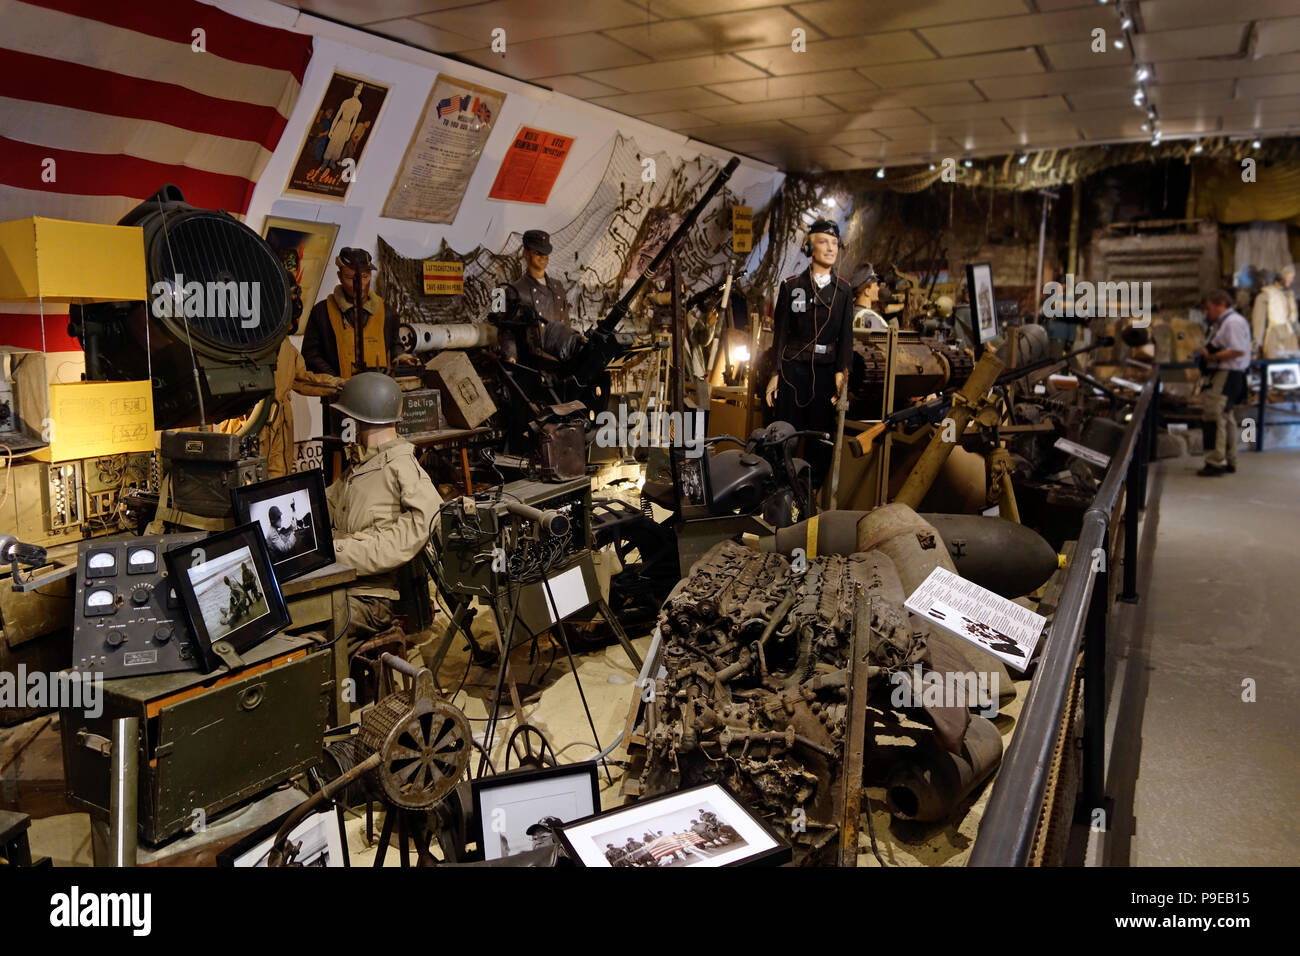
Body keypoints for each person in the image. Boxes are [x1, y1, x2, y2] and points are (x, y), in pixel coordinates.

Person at [324, 373, 444, 654]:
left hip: (370, 597)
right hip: (344, 583)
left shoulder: (400, 466)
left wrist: (339, 550)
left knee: (312, 631)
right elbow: (326, 505)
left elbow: (428, 519)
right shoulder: (362, 465)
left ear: (360, 419)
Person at [765, 218, 854, 490]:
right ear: (809, 248)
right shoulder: (792, 286)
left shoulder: (844, 291)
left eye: (835, 244)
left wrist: (841, 373)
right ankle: (779, 492)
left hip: (826, 373)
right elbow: (780, 334)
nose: (830, 248)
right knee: (783, 435)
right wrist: (775, 373)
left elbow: (846, 338)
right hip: (793, 371)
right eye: (823, 242)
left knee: (820, 438)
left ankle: (811, 496)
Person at [302, 248, 409, 378]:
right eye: (350, 277)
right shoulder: (322, 312)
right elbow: (310, 356)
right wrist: (336, 381)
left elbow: (394, 347)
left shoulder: (387, 312)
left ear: (370, 275)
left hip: (379, 393)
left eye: (364, 277)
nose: (359, 284)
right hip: (337, 394)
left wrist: (402, 358)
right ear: (340, 276)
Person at [500, 229, 583, 364]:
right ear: (526, 253)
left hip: (561, 360)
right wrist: (511, 357)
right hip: (533, 363)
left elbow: (566, 323)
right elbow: (506, 331)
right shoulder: (515, 290)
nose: (543, 257)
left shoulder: (558, 287)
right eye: (537, 253)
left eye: (545, 253)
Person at [1196, 289, 1252, 477]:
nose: (1207, 313)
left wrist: (1212, 355)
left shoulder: (1233, 322)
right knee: (1226, 416)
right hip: (1230, 374)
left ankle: (1214, 460)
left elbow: (1238, 350)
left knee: (1213, 414)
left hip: (1228, 373)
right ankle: (1230, 458)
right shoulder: (1228, 322)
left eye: (1209, 308)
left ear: (1221, 304)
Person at [1251, 265, 1300, 358]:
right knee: (1276, 366)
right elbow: (1259, 322)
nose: (1291, 280)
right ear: (1281, 277)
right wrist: (1256, 345)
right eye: (1289, 277)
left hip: (1291, 337)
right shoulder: (1265, 295)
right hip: (1274, 336)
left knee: (1293, 367)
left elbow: (1294, 320)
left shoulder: (1290, 295)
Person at [850, 262, 890, 330]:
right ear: (867, 291)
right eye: (876, 285)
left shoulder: (851, 313)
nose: (878, 288)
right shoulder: (870, 318)